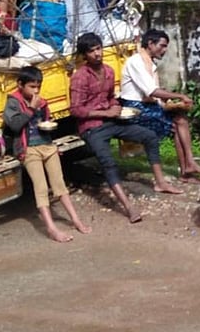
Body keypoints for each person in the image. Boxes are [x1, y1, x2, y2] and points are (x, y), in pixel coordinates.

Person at [69, 32, 182, 224]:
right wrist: (106, 113)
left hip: (112, 122)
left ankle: (161, 182)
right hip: (92, 127)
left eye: (98, 49)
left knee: (149, 137)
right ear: (84, 56)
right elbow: (76, 110)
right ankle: (129, 207)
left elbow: (111, 97)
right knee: (108, 162)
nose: (97, 54)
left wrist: (115, 106)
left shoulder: (108, 71)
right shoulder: (80, 77)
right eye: (91, 51)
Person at [3, 66, 90, 242]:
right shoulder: (13, 102)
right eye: (32, 87)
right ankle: (51, 228)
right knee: (41, 188)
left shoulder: (42, 102)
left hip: (47, 145)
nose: (36, 91)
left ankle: (76, 220)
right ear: (20, 85)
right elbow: (14, 125)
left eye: (38, 87)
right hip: (29, 150)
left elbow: (45, 123)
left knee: (59, 185)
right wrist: (30, 109)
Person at [119, 28, 200, 180]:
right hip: (134, 109)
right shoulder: (136, 62)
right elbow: (152, 91)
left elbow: (153, 92)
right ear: (150, 44)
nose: (164, 50)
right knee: (177, 124)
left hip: (146, 105)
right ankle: (187, 167)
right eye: (162, 45)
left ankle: (188, 166)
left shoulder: (149, 63)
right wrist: (179, 95)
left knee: (181, 119)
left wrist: (168, 99)